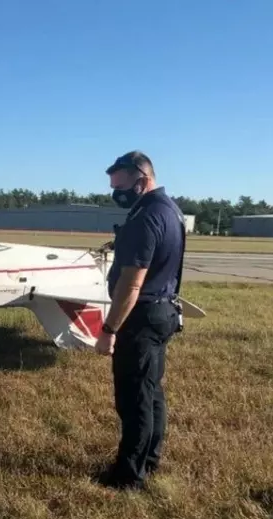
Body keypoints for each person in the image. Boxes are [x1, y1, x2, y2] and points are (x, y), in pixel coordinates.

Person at [94, 151, 186, 490]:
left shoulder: (145, 217)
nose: (116, 194)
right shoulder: (170, 210)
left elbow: (131, 284)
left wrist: (109, 330)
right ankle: (149, 460)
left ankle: (128, 476)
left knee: (134, 400)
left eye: (120, 187)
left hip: (141, 317)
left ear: (141, 180)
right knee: (151, 392)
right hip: (163, 311)